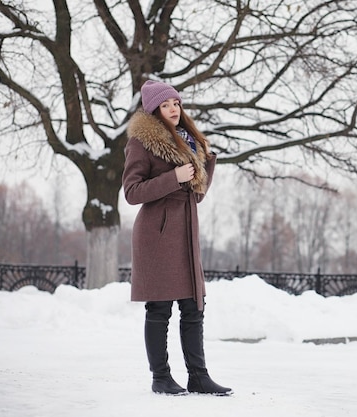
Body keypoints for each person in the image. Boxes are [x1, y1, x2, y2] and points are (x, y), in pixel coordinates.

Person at [122, 80, 232, 396]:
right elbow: (132, 192)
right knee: (159, 309)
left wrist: (205, 165)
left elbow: (194, 196)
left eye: (176, 104)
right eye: (166, 104)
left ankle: (199, 376)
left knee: (194, 307)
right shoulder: (141, 143)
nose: (173, 109)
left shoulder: (187, 142)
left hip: (185, 232)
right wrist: (173, 177)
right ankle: (161, 377)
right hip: (157, 234)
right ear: (154, 109)